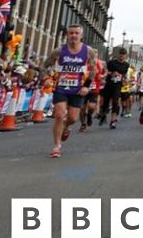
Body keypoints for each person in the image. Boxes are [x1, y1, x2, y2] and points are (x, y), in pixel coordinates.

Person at [44, 25, 98, 158]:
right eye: (71, 33)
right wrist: (46, 78)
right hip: (61, 87)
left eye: (76, 33)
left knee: (73, 118)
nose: (73, 35)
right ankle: (57, 146)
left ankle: (66, 127)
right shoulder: (59, 51)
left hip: (78, 89)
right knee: (59, 114)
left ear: (81, 36)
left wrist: (86, 86)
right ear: (67, 35)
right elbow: (45, 65)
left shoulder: (88, 51)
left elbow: (93, 70)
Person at [102, 47, 130, 129]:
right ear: (118, 55)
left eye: (123, 56)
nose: (121, 57)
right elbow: (106, 71)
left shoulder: (126, 65)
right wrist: (111, 73)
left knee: (115, 101)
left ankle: (113, 121)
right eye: (120, 55)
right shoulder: (112, 62)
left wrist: (125, 79)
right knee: (106, 103)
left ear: (126, 56)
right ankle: (103, 113)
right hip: (109, 84)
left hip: (118, 85)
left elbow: (124, 74)